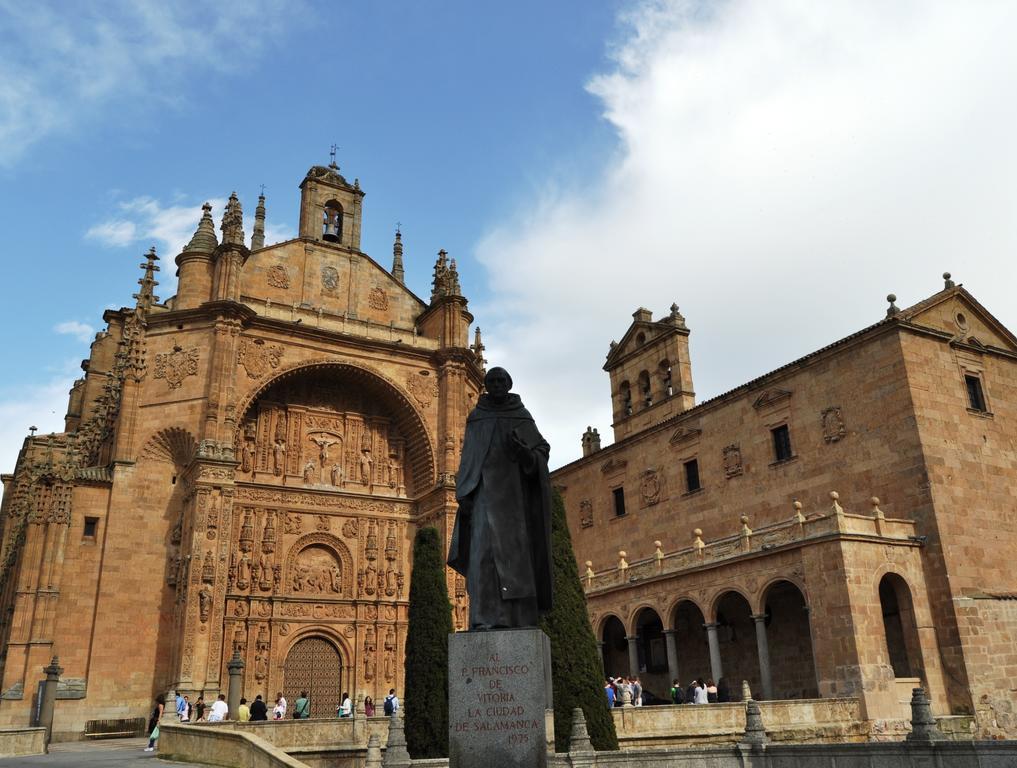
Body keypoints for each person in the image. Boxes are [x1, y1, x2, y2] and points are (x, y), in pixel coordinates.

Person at [447, 367, 553, 630]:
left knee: (516, 559)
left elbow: (541, 450)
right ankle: (483, 618)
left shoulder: (521, 415)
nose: (496, 385)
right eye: (491, 381)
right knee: (482, 556)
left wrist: (526, 454)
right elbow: (468, 458)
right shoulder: (476, 418)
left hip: (513, 497)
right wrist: (465, 495)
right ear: (486, 385)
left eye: (500, 381)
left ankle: (517, 618)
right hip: (483, 494)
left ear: (508, 383)